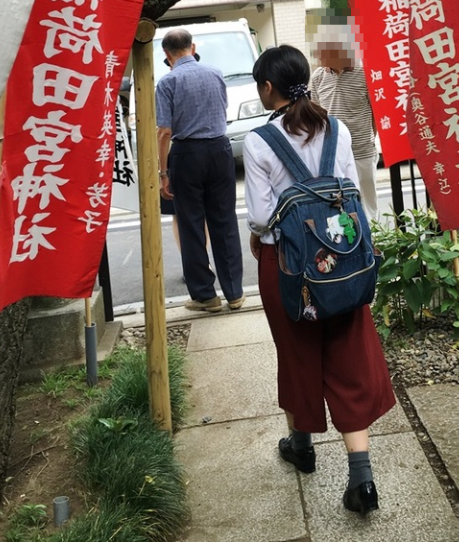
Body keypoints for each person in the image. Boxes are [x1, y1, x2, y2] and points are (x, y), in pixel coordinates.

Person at [243, 44, 395, 515]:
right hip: (345, 259)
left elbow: (262, 217)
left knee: (297, 353)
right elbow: (349, 189)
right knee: (349, 355)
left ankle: (302, 444)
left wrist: (262, 238)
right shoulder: (338, 129)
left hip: (287, 268)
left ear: (268, 89)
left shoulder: (258, 140)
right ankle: (362, 477)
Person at [156, 27, 245, 313]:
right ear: (192, 48)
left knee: (191, 224)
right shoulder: (216, 73)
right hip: (220, 149)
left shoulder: (168, 82)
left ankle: (206, 296)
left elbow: (164, 131)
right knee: (224, 220)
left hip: (187, 153)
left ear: (166, 54)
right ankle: (234, 293)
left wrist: (162, 172)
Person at [311, 25, 380, 222]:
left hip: (362, 150)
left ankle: (373, 241)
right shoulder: (318, 78)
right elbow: (317, 115)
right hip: (332, 154)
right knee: (339, 205)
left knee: (368, 203)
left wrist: (368, 138)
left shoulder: (365, 72)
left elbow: (375, 112)